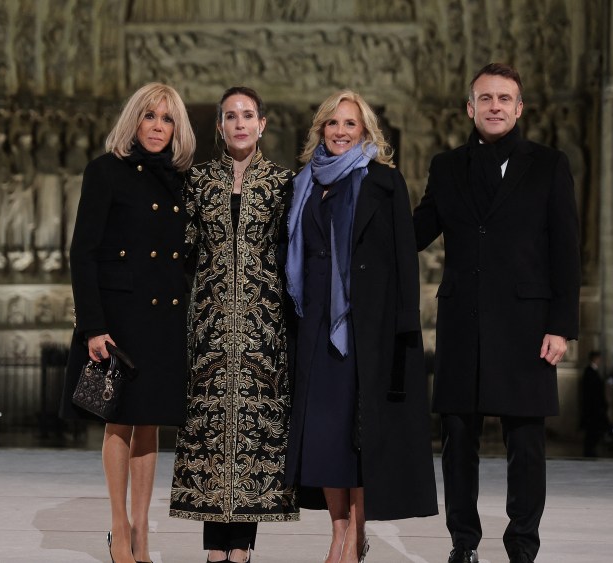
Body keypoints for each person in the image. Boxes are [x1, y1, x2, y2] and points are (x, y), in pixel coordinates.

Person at [413, 63, 581, 563]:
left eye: (504, 99)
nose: (494, 107)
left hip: (527, 327)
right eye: (485, 99)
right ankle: (463, 543)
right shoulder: (447, 166)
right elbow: (417, 231)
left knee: (526, 447)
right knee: (458, 443)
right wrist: (367, 204)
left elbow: (566, 251)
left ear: (519, 108)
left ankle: (522, 546)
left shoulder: (550, 164)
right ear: (470, 108)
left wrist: (561, 325)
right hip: (463, 323)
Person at [285, 90, 438, 563]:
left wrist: (403, 329)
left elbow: (402, 261)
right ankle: (338, 533)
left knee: (359, 436)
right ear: (320, 130)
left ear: (366, 131)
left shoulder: (384, 182)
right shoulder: (303, 184)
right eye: (332, 123)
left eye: (350, 124)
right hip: (313, 326)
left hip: (362, 330)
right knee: (326, 438)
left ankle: (355, 538)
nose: (340, 131)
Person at [60, 82, 196, 563]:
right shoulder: (105, 172)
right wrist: (92, 326)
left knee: (150, 425)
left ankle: (142, 532)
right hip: (119, 317)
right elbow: (84, 251)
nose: (158, 127)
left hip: (164, 317)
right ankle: (119, 527)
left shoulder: (184, 179)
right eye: (150, 116)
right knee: (118, 421)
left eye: (167, 119)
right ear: (133, 121)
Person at [169, 86, 298, 563]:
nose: (240, 123)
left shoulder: (284, 184)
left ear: (262, 124)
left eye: (248, 115)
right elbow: (179, 253)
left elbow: (300, 256)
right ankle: (213, 552)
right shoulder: (198, 182)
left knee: (252, 437)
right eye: (230, 116)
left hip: (265, 333)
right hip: (209, 328)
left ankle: (241, 550)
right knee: (210, 435)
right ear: (219, 126)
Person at [580, 350, 611, 457]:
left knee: (594, 431)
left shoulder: (592, 372)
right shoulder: (590, 372)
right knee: (592, 431)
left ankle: (590, 451)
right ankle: (589, 452)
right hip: (593, 408)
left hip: (594, 408)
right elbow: (593, 392)